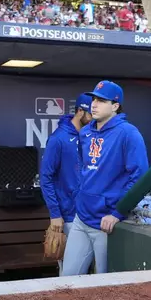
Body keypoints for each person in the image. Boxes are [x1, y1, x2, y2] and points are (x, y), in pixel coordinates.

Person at [61, 81, 149, 276]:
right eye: (93, 99)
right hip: (81, 218)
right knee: (66, 279)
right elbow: (85, 170)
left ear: (115, 106)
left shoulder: (128, 133)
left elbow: (141, 177)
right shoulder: (85, 132)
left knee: (105, 286)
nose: (94, 104)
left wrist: (118, 212)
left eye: (101, 100)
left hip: (106, 223)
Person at [40, 93, 93, 274]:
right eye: (91, 113)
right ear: (80, 111)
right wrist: (55, 213)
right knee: (70, 271)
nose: (94, 117)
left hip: (89, 213)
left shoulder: (91, 136)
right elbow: (45, 177)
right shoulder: (58, 138)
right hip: (68, 215)